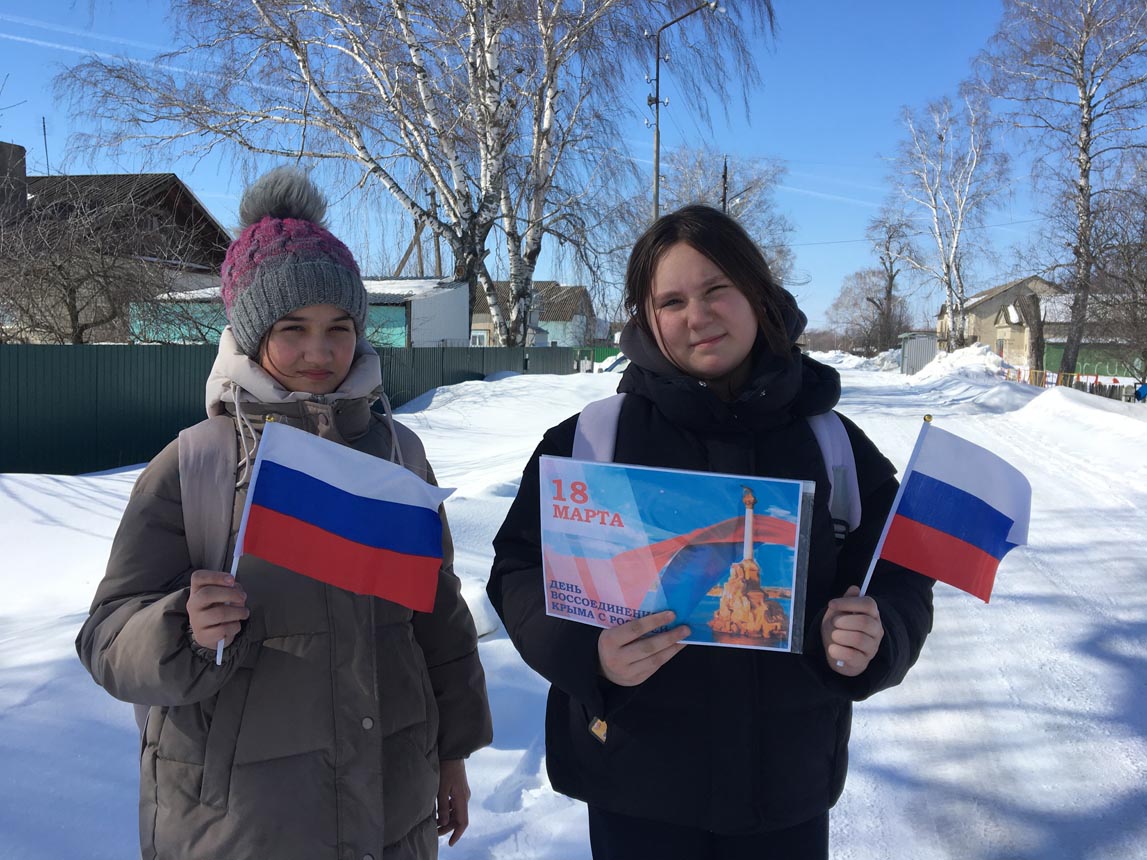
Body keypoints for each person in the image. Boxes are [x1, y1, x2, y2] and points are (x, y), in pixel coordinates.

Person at [486, 205, 935, 860]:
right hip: (635, 785)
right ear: (646, 319)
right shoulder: (592, 440)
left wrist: (878, 635)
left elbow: (898, 573)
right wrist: (590, 656)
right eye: (671, 301)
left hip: (783, 793)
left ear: (758, 295)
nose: (697, 316)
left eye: (716, 289)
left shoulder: (831, 444)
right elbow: (519, 572)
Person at [77, 167, 492, 860]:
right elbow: (106, 638)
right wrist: (180, 626)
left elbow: (437, 614)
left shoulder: (397, 453)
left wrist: (453, 752)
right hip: (241, 824)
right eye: (292, 328)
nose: (319, 352)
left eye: (338, 328)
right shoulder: (197, 463)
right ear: (251, 332)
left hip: (392, 805)